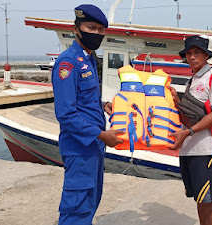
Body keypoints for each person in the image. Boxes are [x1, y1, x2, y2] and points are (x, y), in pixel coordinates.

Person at [51, 4, 123, 225]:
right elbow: (66, 114)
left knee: (90, 203)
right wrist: (102, 135)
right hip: (79, 149)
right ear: (76, 29)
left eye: (101, 30)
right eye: (91, 28)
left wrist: (103, 105)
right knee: (77, 210)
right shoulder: (68, 62)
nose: (97, 34)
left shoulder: (88, 58)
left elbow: (83, 98)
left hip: (92, 149)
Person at [169, 35, 212, 225]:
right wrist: (176, 100)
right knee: (200, 198)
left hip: (205, 149)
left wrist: (188, 132)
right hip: (189, 149)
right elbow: (187, 118)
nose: (192, 57)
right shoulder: (192, 81)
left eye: (197, 53)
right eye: (189, 53)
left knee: (209, 200)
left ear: (206, 55)